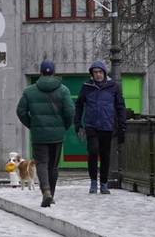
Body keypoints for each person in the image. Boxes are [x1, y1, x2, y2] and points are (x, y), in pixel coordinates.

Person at [16, 60, 75, 207]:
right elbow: (70, 112)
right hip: (57, 135)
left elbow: (20, 111)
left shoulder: (29, 91)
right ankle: (51, 195)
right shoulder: (63, 90)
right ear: (54, 72)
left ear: (41, 72)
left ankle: (46, 192)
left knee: (41, 163)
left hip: (39, 135)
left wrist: (32, 125)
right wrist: (63, 127)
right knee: (53, 166)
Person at [74, 59, 127, 195]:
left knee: (105, 155)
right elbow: (79, 104)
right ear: (92, 74)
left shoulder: (113, 86)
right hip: (91, 125)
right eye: (95, 72)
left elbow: (120, 106)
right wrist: (78, 122)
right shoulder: (87, 87)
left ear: (104, 72)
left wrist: (122, 125)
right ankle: (93, 182)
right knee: (93, 151)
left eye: (100, 72)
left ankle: (103, 183)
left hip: (107, 125)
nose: (97, 74)